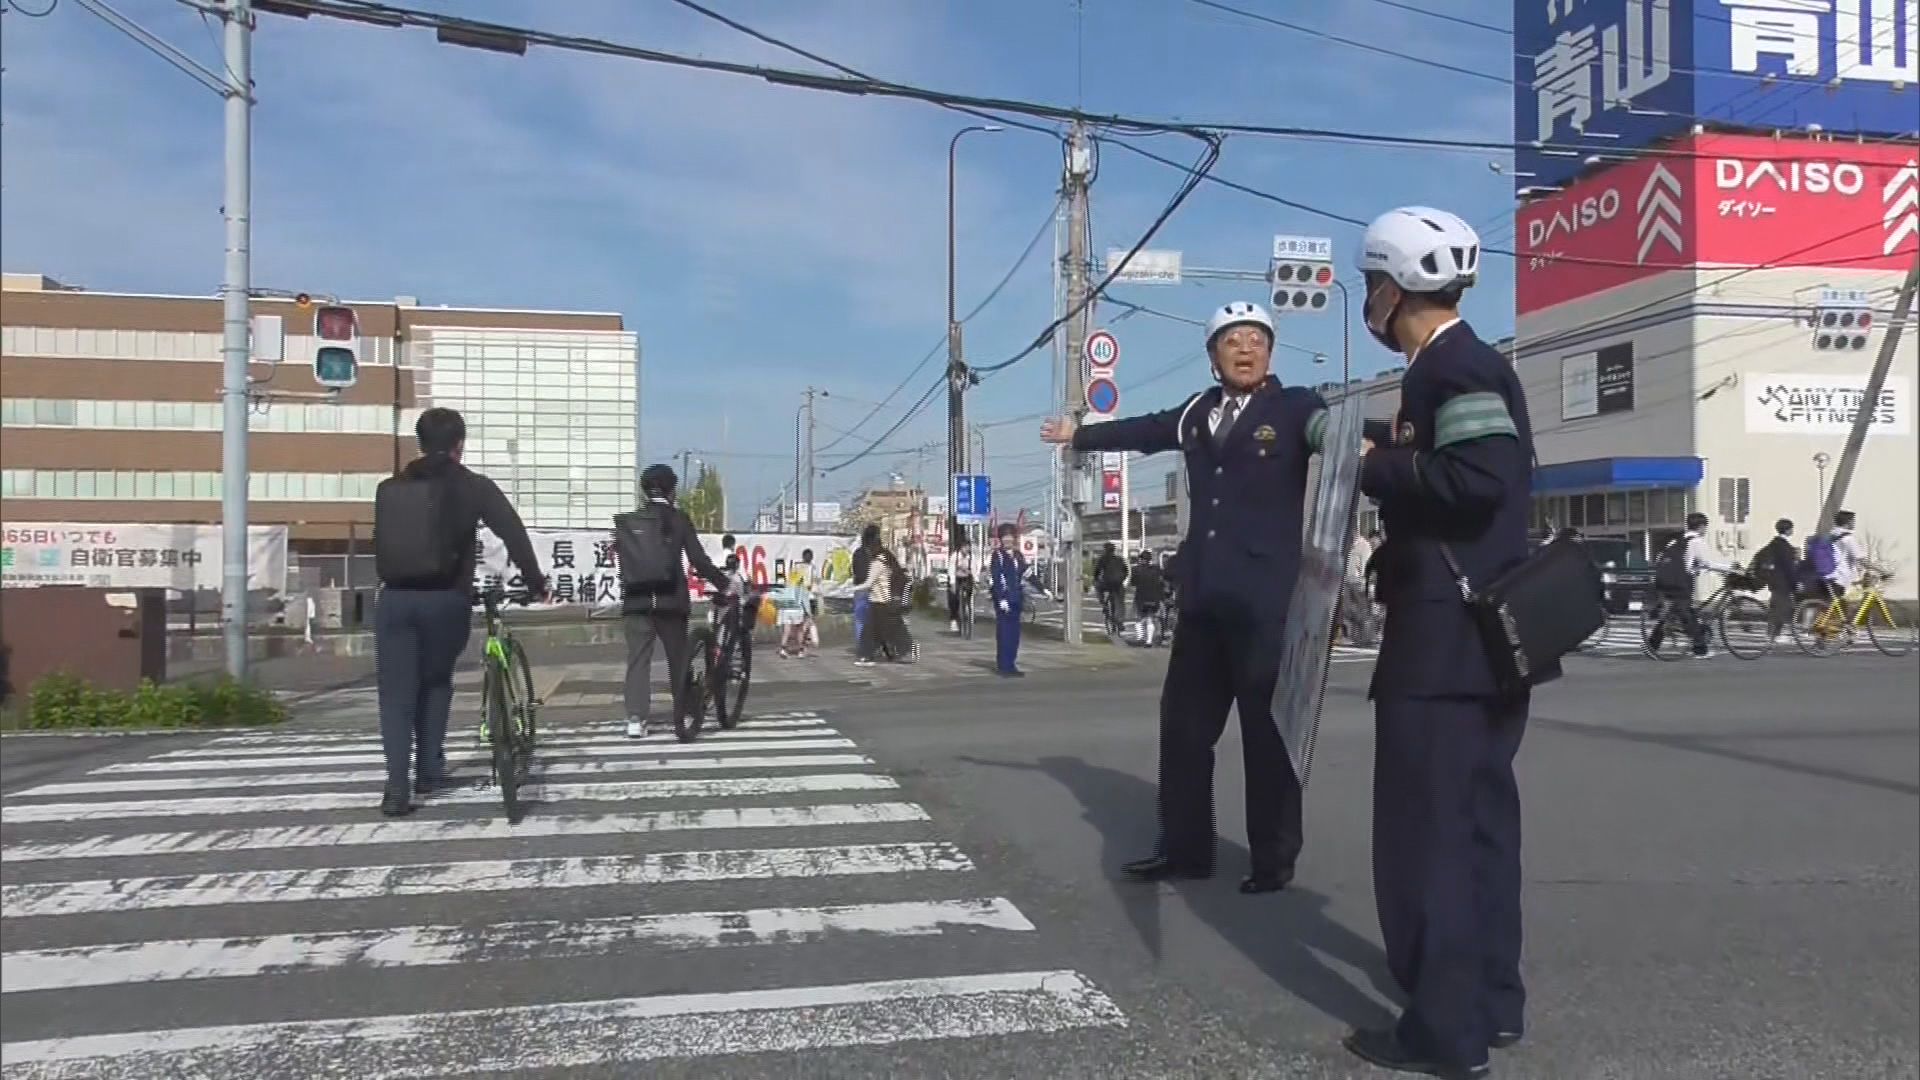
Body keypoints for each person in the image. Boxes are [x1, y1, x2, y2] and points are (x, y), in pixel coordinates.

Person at [1342, 206, 1540, 1078]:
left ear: (1388, 288)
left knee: (1431, 841)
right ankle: (1493, 1004)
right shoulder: (1462, 366)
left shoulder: (1452, 368)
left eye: (1367, 289)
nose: (1367, 305)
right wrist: (1389, 445)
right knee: (1483, 828)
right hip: (1489, 639)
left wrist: (1370, 464)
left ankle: (1445, 1034)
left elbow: (1481, 478)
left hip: (1445, 644)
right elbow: (1465, 470)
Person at [1040, 299, 1328, 895]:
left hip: (1266, 601)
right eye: (1232, 339)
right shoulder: (1199, 412)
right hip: (1203, 600)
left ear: (1270, 350)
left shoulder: (1297, 406)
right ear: (1213, 354)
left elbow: (1337, 436)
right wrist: (1080, 436)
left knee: (1265, 734)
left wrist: (1393, 432)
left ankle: (1273, 859)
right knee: (1183, 729)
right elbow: (1143, 430)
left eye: (1256, 338)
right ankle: (1185, 849)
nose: (1245, 348)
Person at [373, 407, 547, 817]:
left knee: (396, 696)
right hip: (445, 601)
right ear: (459, 445)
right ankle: (430, 769)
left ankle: (397, 786)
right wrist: (536, 581)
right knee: (435, 682)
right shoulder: (474, 486)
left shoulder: (391, 486)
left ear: (419, 443)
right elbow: (513, 532)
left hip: (394, 600)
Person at [613, 464, 732, 739]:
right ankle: (686, 710)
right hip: (671, 602)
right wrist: (724, 584)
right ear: (671, 490)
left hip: (636, 601)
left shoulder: (630, 522)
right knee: (678, 659)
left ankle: (635, 719)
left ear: (644, 490)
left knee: (638, 660)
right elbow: (698, 561)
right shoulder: (679, 519)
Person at [1651, 512, 1737, 659]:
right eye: (1705, 527)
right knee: (1688, 616)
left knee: (1673, 612)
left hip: (1665, 581)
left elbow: (1664, 558)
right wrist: (1730, 568)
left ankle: (1652, 644)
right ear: (1701, 526)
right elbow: (1707, 563)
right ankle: (1700, 649)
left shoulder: (1676, 540)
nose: (1705, 530)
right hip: (1681, 583)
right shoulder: (1696, 541)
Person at [988, 523, 1027, 676]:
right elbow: (997, 577)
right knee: (1004, 633)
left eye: (1010, 536)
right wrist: (1001, 598)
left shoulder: (1018, 555)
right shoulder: (997, 555)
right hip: (1004, 600)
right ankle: (1003, 666)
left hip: (1017, 598)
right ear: (1001, 539)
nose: (1008, 540)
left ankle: (1011, 664)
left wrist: (1043, 589)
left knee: (1015, 634)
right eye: (1005, 537)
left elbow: (1027, 573)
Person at [1751, 518, 1799, 641]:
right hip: (1782, 582)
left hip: (1773, 581)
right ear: (1789, 530)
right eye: (1791, 528)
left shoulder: (1773, 544)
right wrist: (1795, 583)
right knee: (1780, 608)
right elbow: (1789, 568)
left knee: (1778, 607)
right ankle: (1773, 635)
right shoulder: (1785, 547)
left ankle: (1773, 634)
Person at [851, 525, 880, 650]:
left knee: (860, 621)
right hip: (875, 590)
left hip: (860, 589)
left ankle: (863, 646)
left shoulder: (858, 553)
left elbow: (856, 571)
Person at [1130, 549, 1167, 647]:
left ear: (1141, 559)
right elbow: (1162, 582)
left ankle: (1140, 638)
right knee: (1150, 618)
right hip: (1155, 598)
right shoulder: (1157, 569)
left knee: (1139, 619)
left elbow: (1133, 583)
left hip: (1141, 598)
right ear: (1150, 559)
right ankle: (1149, 641)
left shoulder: (1135, 569)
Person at [1093, 542, 1128, 632]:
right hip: (1118, 584)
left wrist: (1096, 579)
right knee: (1120, 603)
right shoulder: (1120, 559)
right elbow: (1126, 572)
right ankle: (1120, 621)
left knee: (1097, 586)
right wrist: (1121, 580)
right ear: (1114, 550)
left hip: (1107, 583)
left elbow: (1097, 572)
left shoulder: (1103, 558)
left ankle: (1103, 604)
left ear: (1105, 550)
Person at [948, 539, 977, 633]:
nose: (967, 549)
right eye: (965, 547)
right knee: (954, 597)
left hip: (967, 578)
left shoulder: (972, 557)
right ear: (961, 548)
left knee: (970, 592)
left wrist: (976, 581)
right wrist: (952, 583)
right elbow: (951, 570)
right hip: (956, 578)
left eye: (968, 547)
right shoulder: (955, 556)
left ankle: (968, 608)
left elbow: (974, 571)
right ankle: (953, 619)